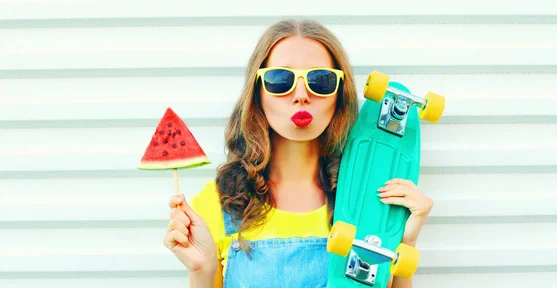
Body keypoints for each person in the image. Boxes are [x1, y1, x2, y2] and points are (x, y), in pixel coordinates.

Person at [163, 19, 434, 288]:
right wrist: (201, 269)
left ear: (340, 95)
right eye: (280, 80)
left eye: (321, 81)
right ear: (257, 93)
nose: (301, 95)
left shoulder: (371, 201)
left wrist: (403, 241)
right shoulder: (216, 204)